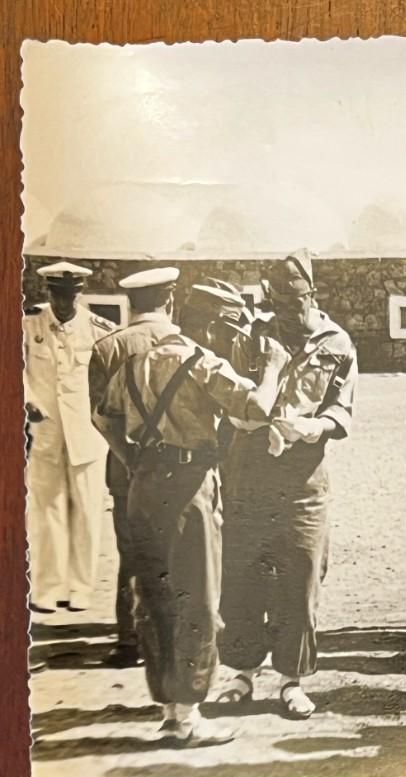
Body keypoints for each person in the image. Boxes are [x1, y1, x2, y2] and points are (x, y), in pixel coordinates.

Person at [93, 282, 288, 745]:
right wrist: (275, 369)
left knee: (154, 597)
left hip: (143, 486)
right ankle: (190, 714)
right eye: (231, 327)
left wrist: (134, 461)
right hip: (188, 486)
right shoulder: (202, 362)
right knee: (196, 598)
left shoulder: (136, 362)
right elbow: (257, 409)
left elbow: (103, 418)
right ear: (214, 325)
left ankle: (168, 709)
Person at [216, 249, 358, 720]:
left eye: (295, 303)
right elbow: (235, 407)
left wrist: (316, 428)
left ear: (312, 295)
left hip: (303, 478)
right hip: (249, 474)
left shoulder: (337, 343)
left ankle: (291, 681)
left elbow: (342, 409)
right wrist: (265, 422)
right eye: (278, 302)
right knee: (243, 576)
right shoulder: (252, 338)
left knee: (300, 576)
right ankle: (240, 674)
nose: (286, 313)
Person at [87, 266, 181, 667]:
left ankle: (129, 641)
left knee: (130, 553)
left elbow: (98, 415)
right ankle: (172, 636)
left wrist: (128, 457)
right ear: (171, 299)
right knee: (176, 551)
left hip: (126, 469)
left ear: (129, 302)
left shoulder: (107, 348)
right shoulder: (183, 343)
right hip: (177, 467)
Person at [25, 261, 116, 614]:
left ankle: (79, 588)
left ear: (80, 293)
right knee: (47, 510)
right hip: (46, 432)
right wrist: (27, 400)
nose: (64, 302)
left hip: (87, 435)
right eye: (58, 294)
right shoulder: (28, 322)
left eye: (71, 295)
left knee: (87, 511)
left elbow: (110, 381)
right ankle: (47, 589)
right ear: (48, 292)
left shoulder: (98, 328)